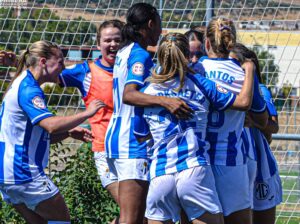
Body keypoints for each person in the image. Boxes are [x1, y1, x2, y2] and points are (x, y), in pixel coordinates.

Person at [133, 32, 256, 224]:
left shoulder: (146, 93)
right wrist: (249, 69)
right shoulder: (201, 84)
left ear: (159, 56)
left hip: (160, 173)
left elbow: (141, 136)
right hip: (193, 169)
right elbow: (243, 102)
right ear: (188, 56)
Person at [105, 3, 193, 224]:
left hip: (116, 138)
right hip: (131, 142)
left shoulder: (126, 50)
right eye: (160, 26)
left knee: (135, 216)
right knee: (132, 219)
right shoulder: (139, 55)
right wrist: (166, 101)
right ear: (151, 24)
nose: (161, 32)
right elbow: (130, 95)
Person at [0, 40, 103, 223]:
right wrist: (87, 113)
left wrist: (69, 133)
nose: (64, 67)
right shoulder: (29, 89)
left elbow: (32, 137)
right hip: (22, 172)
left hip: (6, 173)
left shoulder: (20, 82)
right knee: (61, 220)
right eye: (60, 61)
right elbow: (50, 125)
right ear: (42, 62)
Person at [200, 17, 268, 224]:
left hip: (197, 159)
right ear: (233, 42)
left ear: (207, 43)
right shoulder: (243, 73)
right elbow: (263, 120)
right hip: (230, 160)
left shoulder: (195, 69)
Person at [58, 19, 123, 212]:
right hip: (104, 150)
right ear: (98, 44)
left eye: (117, 40)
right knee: (134, 211)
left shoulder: (133, 70)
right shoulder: (85, 72)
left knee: (138, 213)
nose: (112, 45)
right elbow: (45, 73)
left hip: (133, 149)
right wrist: (16, 63)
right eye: (107, 40)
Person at [230, 43, 282, 224]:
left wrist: (254, 122)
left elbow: (273, 127)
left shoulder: (260, 90)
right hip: (232, 163)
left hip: (260, 167)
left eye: (234, 62)